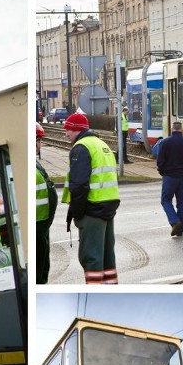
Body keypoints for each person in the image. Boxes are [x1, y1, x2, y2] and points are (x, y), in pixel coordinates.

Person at [63, 112, 120, 284]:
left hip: (92, 208)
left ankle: (94, 289)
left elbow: (79, 183)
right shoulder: (102, 144)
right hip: (108, 207)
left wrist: (78, 213)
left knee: (92, 257)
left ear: (76, 130)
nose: (66, 134)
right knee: (107, 258)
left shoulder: (81, 147)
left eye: (68, 130)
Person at [156, 121, 183, 237]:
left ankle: (175, 221)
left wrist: (162, 172)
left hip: (169, 177)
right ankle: (180, 230)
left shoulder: (164, 143)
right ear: (182, 130)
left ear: (171, 129)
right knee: (182, 203)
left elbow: (160, 161)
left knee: (165, 200)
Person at [35, 123, 58, 283]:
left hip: (42, 226)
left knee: (42, 268)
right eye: (36, 139)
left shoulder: (36, 165)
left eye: (39, 140)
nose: (38, 144)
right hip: (38, 226)